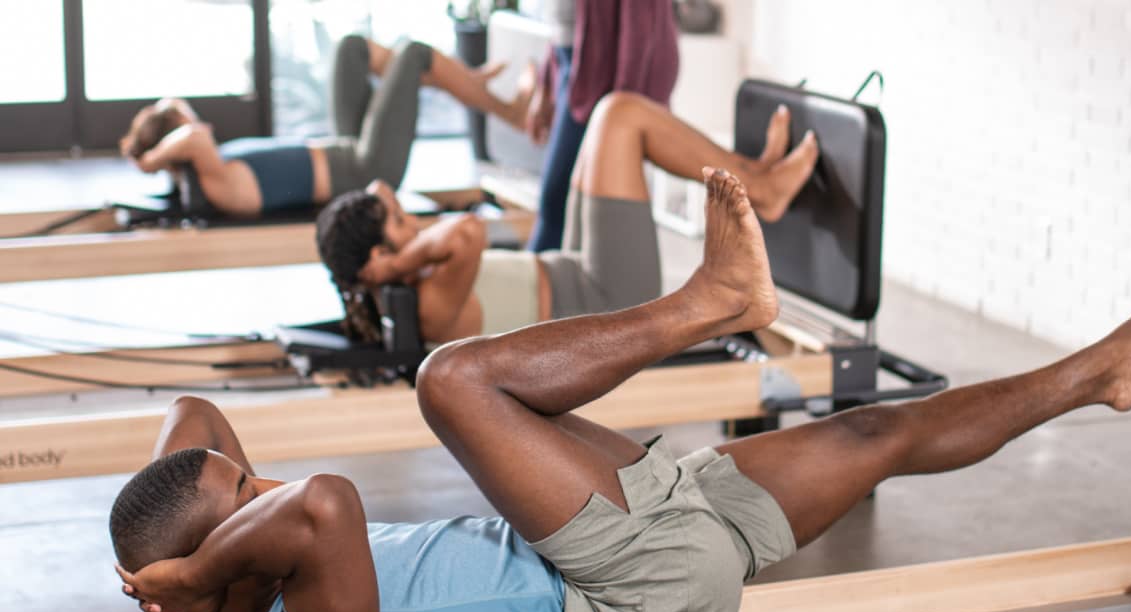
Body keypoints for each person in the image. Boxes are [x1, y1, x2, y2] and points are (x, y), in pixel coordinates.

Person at [110, 169, 1131, 612]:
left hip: (622, 534)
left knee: (880, 431)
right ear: (223, 566)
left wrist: (165, 567)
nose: (268, 486)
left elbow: (197, 416)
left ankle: (1096, 371)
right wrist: (195, 583)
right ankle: (709, 302)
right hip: (626, 604)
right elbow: (325, 506)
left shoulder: (253, 567)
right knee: (451, 380)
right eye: (245, 498)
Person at [314, 91, 817, 345]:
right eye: (401, 223)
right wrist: (394, 265)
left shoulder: (407, 282)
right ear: (378, 262)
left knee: (605, 114)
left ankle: (755, 173)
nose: (416, 226)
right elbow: (467, 231)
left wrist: (388, 240)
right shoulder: (423, 305)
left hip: (573, 266)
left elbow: (382, 192)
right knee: (622, 115)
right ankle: (765, 188)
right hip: (607, 301)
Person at [119, 35, 528, 218]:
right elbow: (192, 135)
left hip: (347, 146)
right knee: (413, 54)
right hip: (369, 168)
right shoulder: (213, 179)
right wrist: (150, 160)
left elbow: (175, 107)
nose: (198, 121)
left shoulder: (210, 163)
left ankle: (469, 82)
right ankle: (505, 109)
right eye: (186, 124)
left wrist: (154, 137)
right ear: (175, 149)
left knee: (351, 47)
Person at [524, 0, 681, 252]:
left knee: (557, 201)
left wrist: (623, 114)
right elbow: (565, 24)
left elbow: (639, 30)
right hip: (572, 67)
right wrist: (545, 83)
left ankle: (530, 289)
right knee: (565, 206)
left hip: (604, 79)